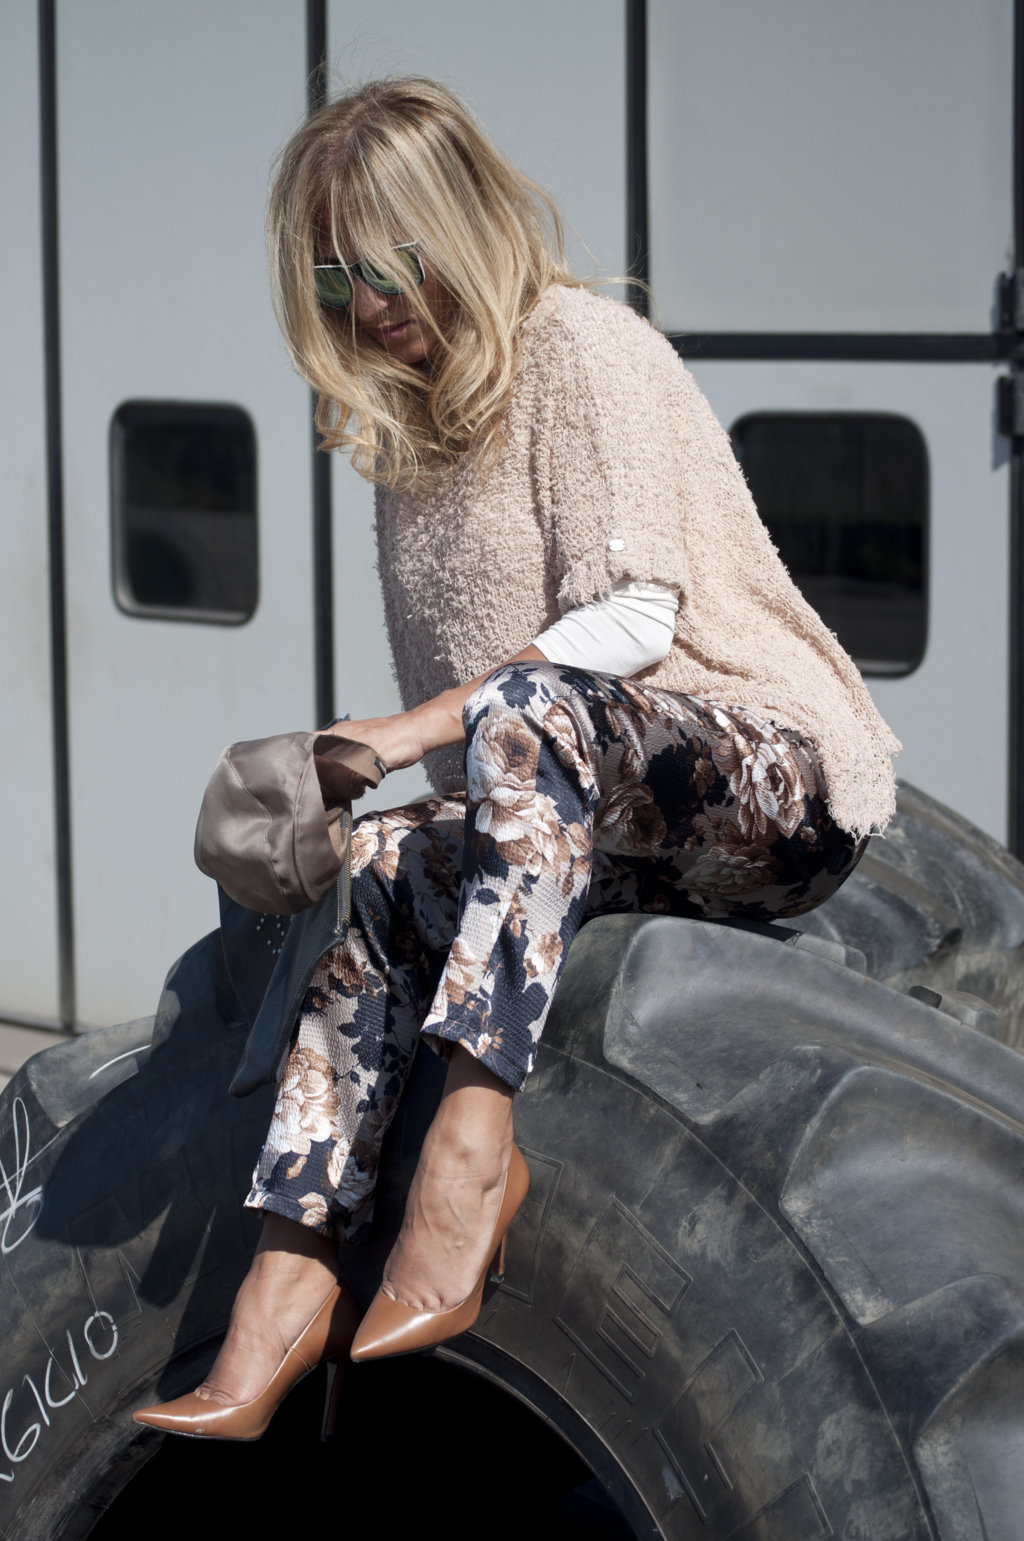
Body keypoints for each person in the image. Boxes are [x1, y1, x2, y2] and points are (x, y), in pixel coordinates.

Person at [134, 77, 899, 1438]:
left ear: (460, 223)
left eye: (390, 261)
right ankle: (293, 1261)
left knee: (528, 711)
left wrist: (394, 734)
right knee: (379, 856)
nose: (368, 302)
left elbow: (630, 622)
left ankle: (473, 1149)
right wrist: (365, 779)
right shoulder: (412, 442)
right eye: (335, 278)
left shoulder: (585, 350)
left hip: (762, 779)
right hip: (573, 793)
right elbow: (493, 747)